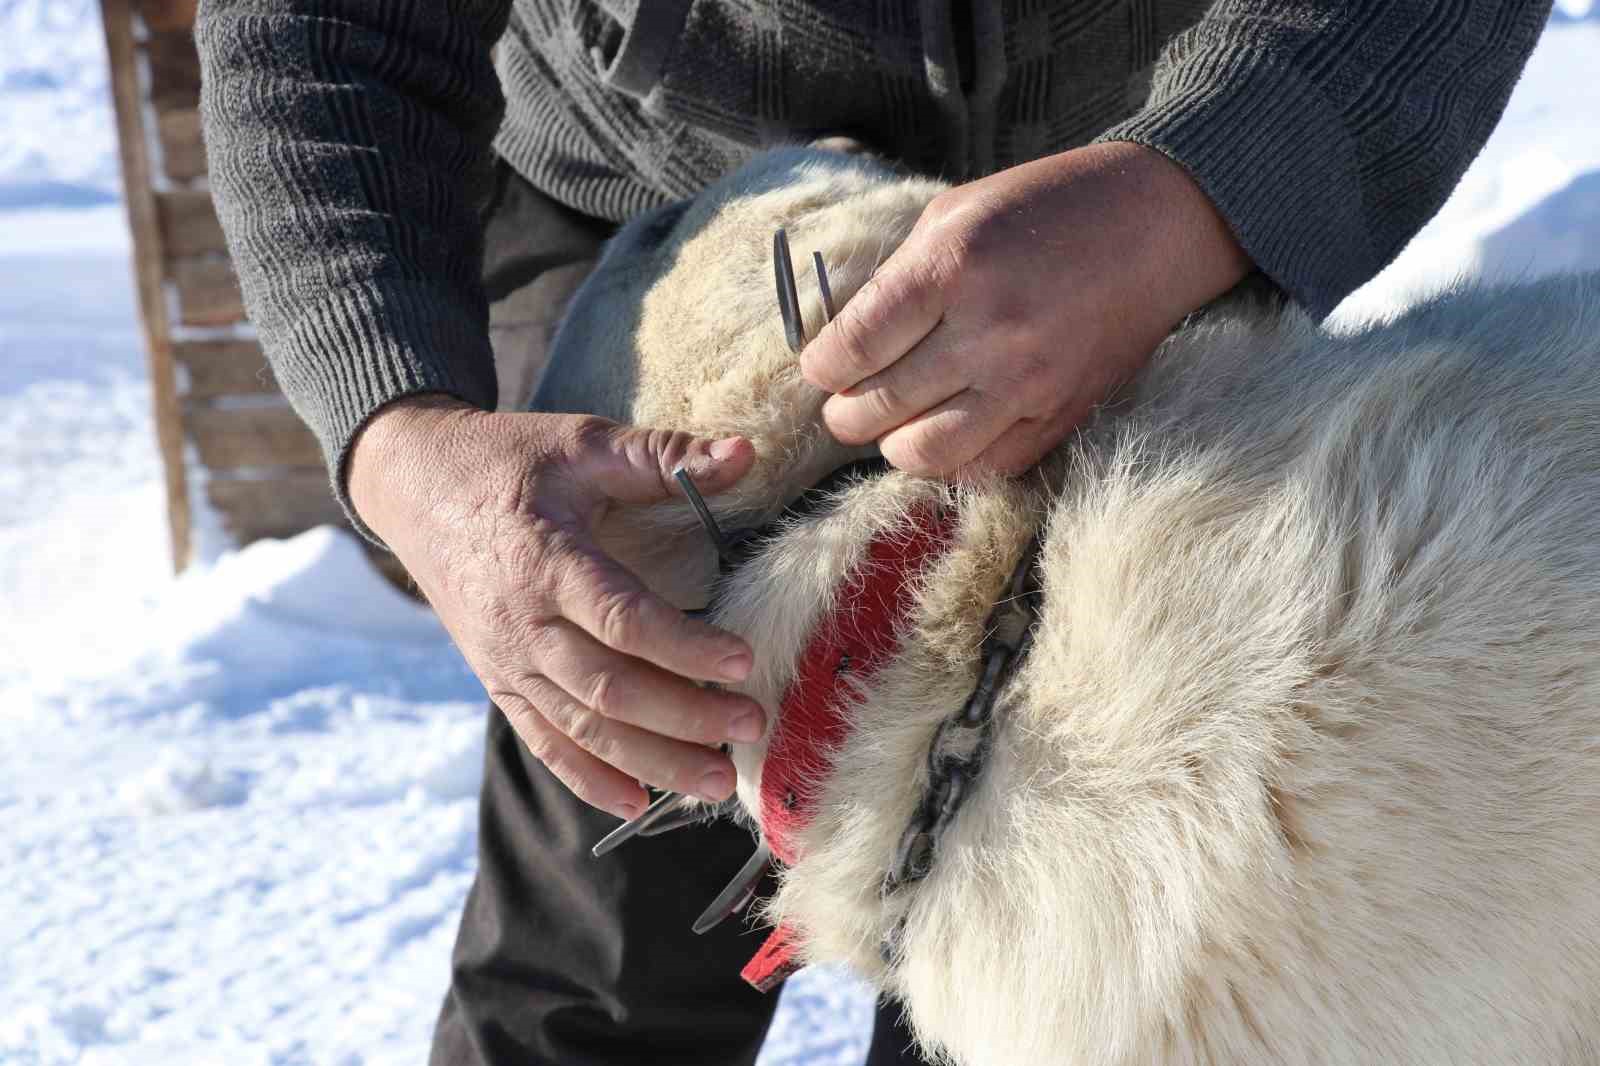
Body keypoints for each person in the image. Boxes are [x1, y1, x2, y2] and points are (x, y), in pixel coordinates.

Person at [195, 3, 1550, 1063]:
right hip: (682, 268)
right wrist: (397, 428)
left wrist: (1201, 185)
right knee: (592, 968)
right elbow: (316, 28)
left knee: (1120, 924)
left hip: (1140, 227)